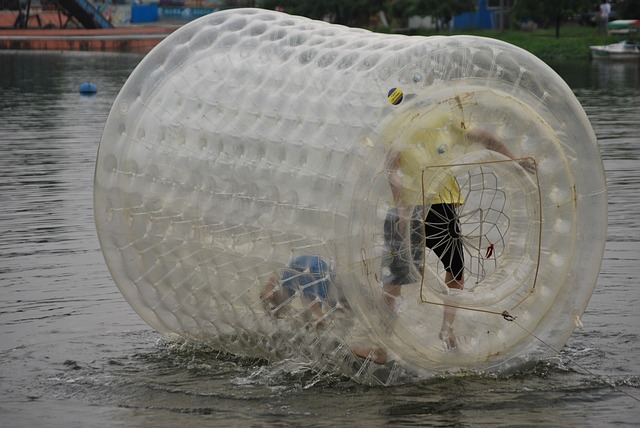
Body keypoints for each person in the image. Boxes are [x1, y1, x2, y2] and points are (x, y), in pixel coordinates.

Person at [354, 104, 535, 362]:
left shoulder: (396, 121)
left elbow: (393, 166)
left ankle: (384, 347)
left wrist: (402, 207)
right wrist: (513, 158)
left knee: (394, 281)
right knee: (453, 274)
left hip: (417, 208)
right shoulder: (444, 117)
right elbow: (486, 138)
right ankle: (446, 333)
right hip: (439, 206)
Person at [260, 255, 338, 322]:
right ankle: (272, 293)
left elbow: (316, 309)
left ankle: (273, 294)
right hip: (302, 265)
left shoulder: (317, 289)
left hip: (310, 270)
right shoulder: (291, 288)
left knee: (314, 305)